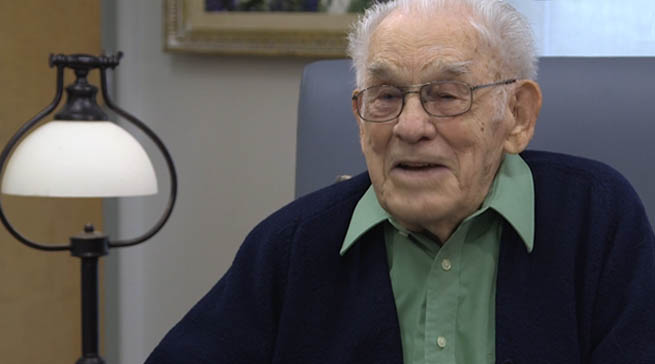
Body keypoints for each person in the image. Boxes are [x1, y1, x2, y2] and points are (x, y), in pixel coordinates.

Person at [146, 0, 655, 363]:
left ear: (517, 115)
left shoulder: (597, 219)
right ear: (359, 114)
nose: (410, 127)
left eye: (448, 94)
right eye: (386, 96)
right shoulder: (290, 246)